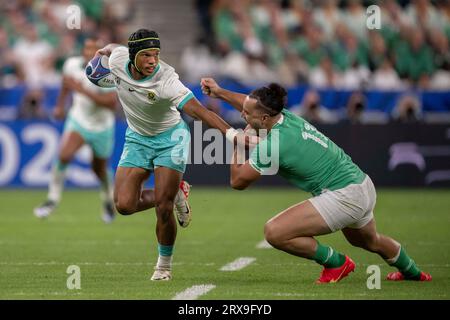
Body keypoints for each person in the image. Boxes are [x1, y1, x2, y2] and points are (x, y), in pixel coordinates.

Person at [200, 77, 432, 283]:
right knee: (369, 241)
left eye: (247, 114)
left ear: (263, 117)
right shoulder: (283, 116)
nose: (242, 115)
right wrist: (220, 92)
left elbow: (238, 181)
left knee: (274, 232)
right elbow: (249, 103)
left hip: (344, 196)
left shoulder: (274, 145)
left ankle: (336, 263)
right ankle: (413, 272)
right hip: (362, 184)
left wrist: (235, 141)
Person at [98, 29, 243, 281]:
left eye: (156, 54)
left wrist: (232, 135)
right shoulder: (117, 60)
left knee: (163, 209)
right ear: (133, 56)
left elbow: (201, 112)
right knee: (123, 205)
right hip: (137, 139)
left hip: (170, 139)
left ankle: (163, 266)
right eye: (146, 55)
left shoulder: (167, 80)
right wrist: (105, 48)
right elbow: (113, 48)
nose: (153, 60)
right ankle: (176, 192)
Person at [34, 39, 118, 224]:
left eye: (94, 49)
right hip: (78, 120)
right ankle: (52, 199)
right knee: (64, 155)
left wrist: (81, 90)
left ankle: (107, 200)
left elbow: (111, 104)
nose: (90, 52)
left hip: (102, 126)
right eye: (87, 48)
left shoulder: (109, 73)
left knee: (99, 169)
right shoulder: (72, 64)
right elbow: (66, 83)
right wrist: (59, 106)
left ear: (102, 53)